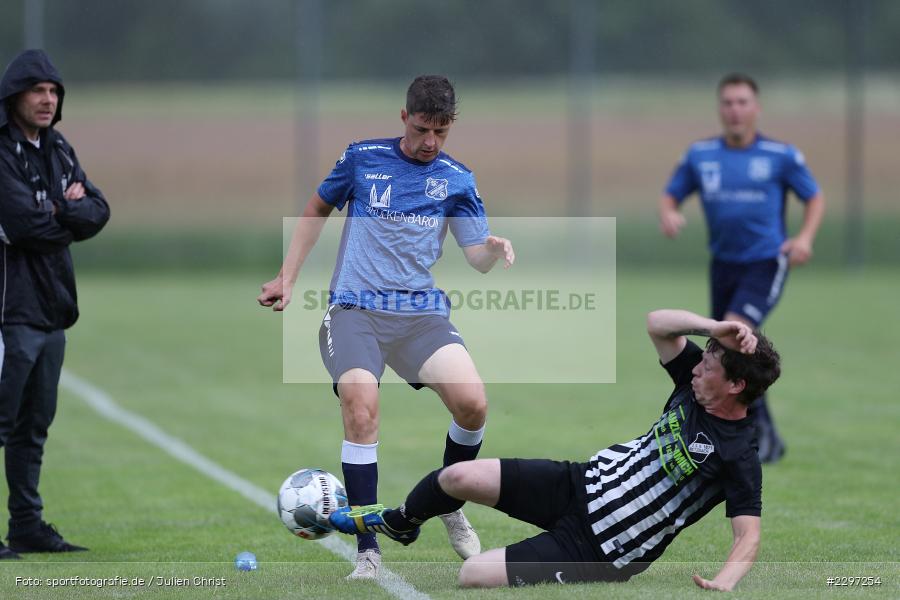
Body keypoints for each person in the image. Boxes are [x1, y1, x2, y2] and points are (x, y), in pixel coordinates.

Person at [258, 75, 514, 579]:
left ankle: (448, 499)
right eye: (422, 129)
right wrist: (287, 276)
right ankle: (368, 549)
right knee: (361, 402)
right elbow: (316, 208)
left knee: (473, 403)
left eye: (441, 132)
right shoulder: (362, 157)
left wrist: (492, 248)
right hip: (355, 311)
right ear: (404, 118)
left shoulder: (458, 178)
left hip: (419, 314)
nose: (429, 142)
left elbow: (475, 257)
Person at [330, 309, 780, 590]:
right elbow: (657, 323)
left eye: (710, 362)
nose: (698, 365)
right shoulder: (692, 384)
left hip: (599, 549)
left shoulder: (738, 452)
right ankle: (404, 524)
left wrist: (724, 583)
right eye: (701, 357)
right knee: (455, 479)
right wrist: (714, 328)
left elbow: (749, 535)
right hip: (579, 483)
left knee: (472, 576)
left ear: (737, 385)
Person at [658, 73, 824, 463]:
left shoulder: (780, 156)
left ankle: (751, 431)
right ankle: (764, 433)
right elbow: (672, 193)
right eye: (728, 103)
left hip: (765, 263)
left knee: (732, 333)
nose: (735, 110)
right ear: (720, 108)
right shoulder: (701, 155)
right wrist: (669, 213)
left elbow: (813, 197)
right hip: (723, 266)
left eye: (742, 102)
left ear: (756, 108)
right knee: (726, 345)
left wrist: (804, 239)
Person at [0, 49, 110, 560]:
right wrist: (68, 208)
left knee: (33, 426)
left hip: (52, 309)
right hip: (8, 310)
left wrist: (63, 208)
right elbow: (23, 224)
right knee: (1, 422)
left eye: (53, 91)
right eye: (36, 90)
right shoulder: (1, 151)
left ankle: (26, 525)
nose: (47, 100)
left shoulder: (58, 147)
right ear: (13, 96)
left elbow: (99, 210)